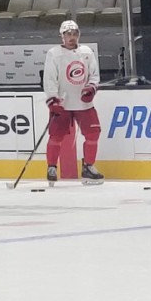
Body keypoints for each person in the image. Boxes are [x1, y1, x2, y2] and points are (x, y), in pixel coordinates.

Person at [43, 20, 104, 184]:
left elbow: (94, 75)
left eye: (75, 34)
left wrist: (91, 88)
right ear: (62, 36)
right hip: (62, 103)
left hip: (83, 103)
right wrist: (52, 100)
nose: (72, 37)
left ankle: (89, 167)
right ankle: (52, 167)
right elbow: (50, 79)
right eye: (68, 34)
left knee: (93, 133)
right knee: (56, 135)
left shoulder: (86, 52)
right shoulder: (54, 54)